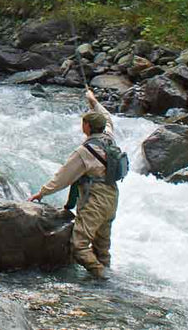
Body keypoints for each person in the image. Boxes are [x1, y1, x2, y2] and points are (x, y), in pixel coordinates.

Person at [29, 89, 118, 279]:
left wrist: (41, 193)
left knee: (79, 246)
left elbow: (63, 177)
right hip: (112, 198)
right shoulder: (109, 138)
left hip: (95, 200)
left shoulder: (84, 151)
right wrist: (93, 101)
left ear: (86, 126)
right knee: (102, 247)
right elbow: (107, 118)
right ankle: (105, 283)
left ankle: (103, 277)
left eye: (83, 122)